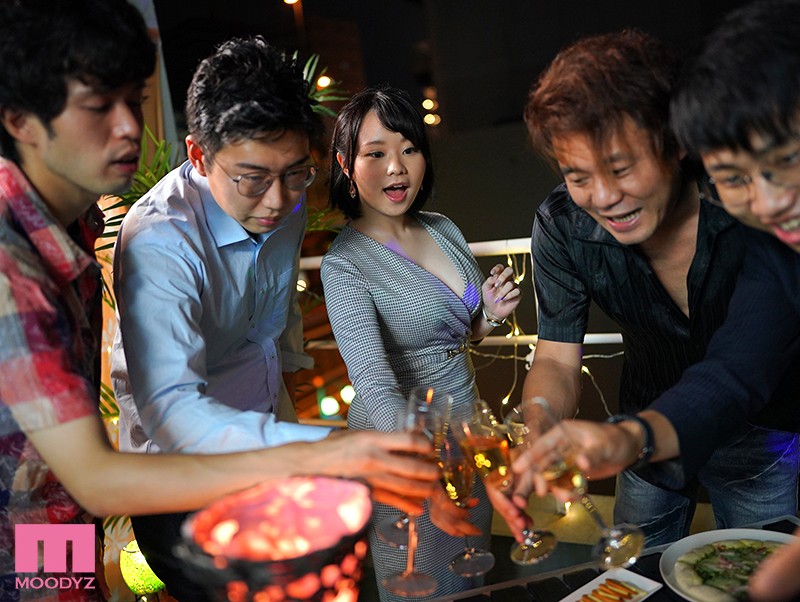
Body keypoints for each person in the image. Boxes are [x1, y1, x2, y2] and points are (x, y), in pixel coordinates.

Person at [0, 4, 438, 600]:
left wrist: (304, 444)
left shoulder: (72, 226)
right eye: (100, 107)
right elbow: (106, 469)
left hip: (72, 511)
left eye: (134, 100)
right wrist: (328, 450)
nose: (129, 128)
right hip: (40, 517)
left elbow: (272, 336)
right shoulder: (25, 263)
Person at [509, 1, 800, 599]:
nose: (603, 196)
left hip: (764, 437)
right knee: (627, 581)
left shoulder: (748, 209)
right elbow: (560, 357)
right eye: (578, 175)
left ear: (673, 145)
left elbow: (747, 367)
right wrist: (570, 431)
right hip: (647, 425)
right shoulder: (563, 226)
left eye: (621, 168)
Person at [320, 86, 522, 601]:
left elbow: (458, 330)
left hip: (466, 431)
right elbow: (373, 384)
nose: (397, 167)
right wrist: (425, 471)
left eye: (409, 148)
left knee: (471, 576)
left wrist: (489, 314)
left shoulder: (442, 227)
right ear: (345, 164)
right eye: (376, 153)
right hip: (404, 449)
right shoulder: (344, 265)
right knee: (422, 584)